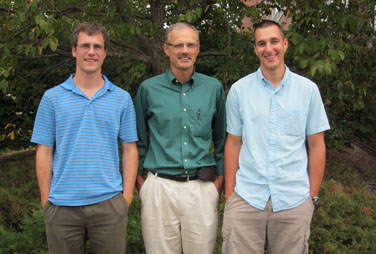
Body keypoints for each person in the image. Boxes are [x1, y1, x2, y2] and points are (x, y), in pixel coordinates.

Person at [222, 19, 330, 254]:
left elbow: (317, 145)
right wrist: (230, 194)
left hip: (294, 201)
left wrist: (312, 197)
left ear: (285, 44)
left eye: (274, 41)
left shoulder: (308, 90)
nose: (268, 49)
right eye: (261, 43)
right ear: (255, 49)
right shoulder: (239, 91)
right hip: (247, 197)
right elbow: (233, 143)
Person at [31, 22, 138, 254]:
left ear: (105, 52)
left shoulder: (122, 99)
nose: (91, 52)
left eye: (97, 46)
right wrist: (46, 200)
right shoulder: (52, 98)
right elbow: (44, 151)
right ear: (74, 50)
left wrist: (126, 198)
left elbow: (130, 149)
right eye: (85, 46)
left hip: (109, 204)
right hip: (61, 206)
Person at [135, 22, 226, 254]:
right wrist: (142, 185)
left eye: (190, 45)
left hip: (201, 189)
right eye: (178, 45)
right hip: (158, 189)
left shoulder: (213, 88)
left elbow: (223, 140)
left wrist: (218, 184)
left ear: (197, 49)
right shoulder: (148, 89)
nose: (184, 50)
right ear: (167, 49)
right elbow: (138, 141)